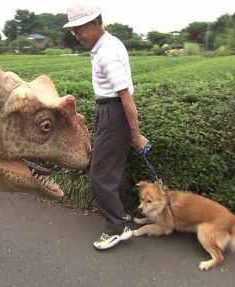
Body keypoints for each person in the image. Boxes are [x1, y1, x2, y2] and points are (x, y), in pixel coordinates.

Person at [63, 1, 149, 250]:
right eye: (74, 30)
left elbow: (126, 98)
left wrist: (136, 135)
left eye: (80, 28)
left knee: (100, 174)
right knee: (114, 170)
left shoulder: (108, 52)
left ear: (95, 22)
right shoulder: (106, 45)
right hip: (109, 111)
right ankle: (122, 214)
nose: (77, 35)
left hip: (114, 111)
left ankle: (116, 228)